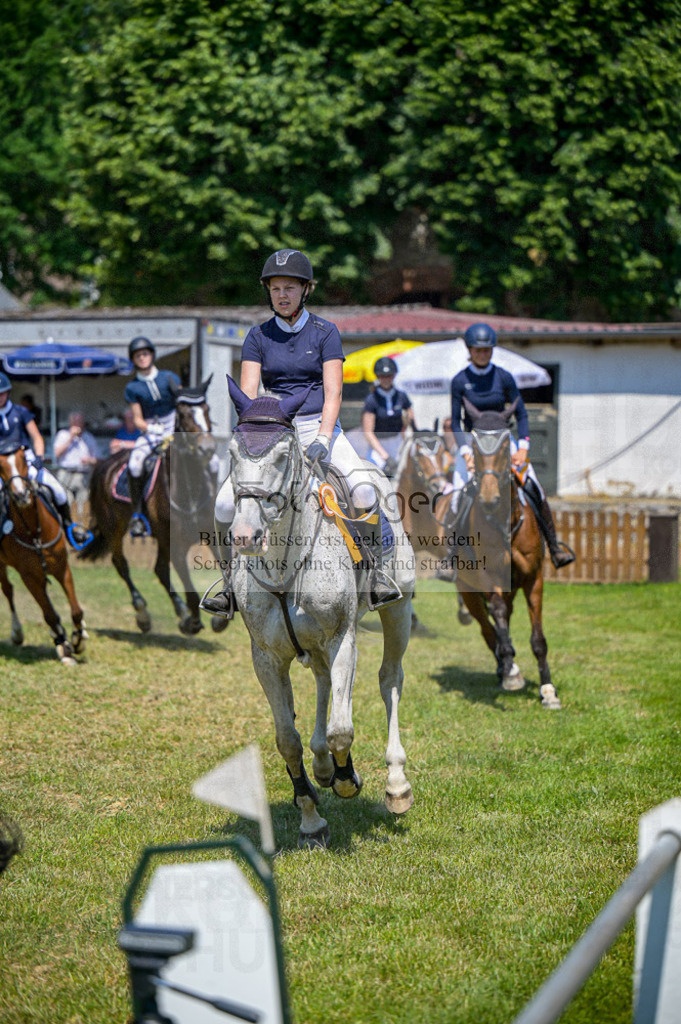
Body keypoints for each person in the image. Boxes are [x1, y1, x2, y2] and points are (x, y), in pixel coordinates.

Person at [202, 248, 401, 617]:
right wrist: (253, 437)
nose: (282, 295)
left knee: (362, 489)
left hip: (318, 426)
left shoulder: (326, 332)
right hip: (272, 429)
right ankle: (228, 583)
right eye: (275, 288)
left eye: (290, 288)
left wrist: (324, 437)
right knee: (224, 503)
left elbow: (334, 391)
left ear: (306, 290)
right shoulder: (257, 336)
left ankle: (376, 573)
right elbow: (248, 396)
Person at [440, 322, 575, 576]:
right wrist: (465, 454)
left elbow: (521, 414)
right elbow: (456, 422)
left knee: (534, 486)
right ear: (470, 350)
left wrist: (523, 446)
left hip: (503, 441)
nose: (483, 354)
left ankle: (555, 547)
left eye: (487, 350)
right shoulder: (460, 381)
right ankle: (451, 556)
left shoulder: (504, 377)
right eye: (478, 350)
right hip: (473, 442)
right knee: (458, 495)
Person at [0, 373, 89, 546]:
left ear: (8, 392)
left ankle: (70, 528)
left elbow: (37, 437)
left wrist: (39, 457)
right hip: (3, 464)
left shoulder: (21, 412)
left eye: (2, 393)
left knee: (58, 490)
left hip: (24, 458)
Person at [124, 337, 181, 537]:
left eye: (145, 353)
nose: (142, 357)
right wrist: (150, 428)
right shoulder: (132, 387)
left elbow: (182, 403)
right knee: (135, 464)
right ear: (133, 360)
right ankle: (138, 515)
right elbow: (137, 419)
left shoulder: (169, 377)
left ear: (152, 355)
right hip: (151, 428)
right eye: (138, 355)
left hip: (175, 425)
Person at [361, 356, 414, 476]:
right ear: (378, 377)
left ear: (394, 376)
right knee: (375, 478)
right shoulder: (372, 399)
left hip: (397, 443)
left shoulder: (401, 396)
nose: (386, 379)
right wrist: (385, 456)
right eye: (382, 376)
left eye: (389, 376)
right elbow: (368, 432)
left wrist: (407, 435)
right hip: (378, 445)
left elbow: (411, 419)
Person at [53, 412, 100, 518]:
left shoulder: (88, 437)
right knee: (66, 503)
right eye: (75, 422)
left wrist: (90, 460)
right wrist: (71, 437)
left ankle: (80, 525)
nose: (77, 424)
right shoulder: (63, 434)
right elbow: (57, 453)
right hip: (66, 473)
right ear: (70, 423)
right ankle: (68, 523)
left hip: (83, 474)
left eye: (79, 422)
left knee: (83, 505)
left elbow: (98, 459)